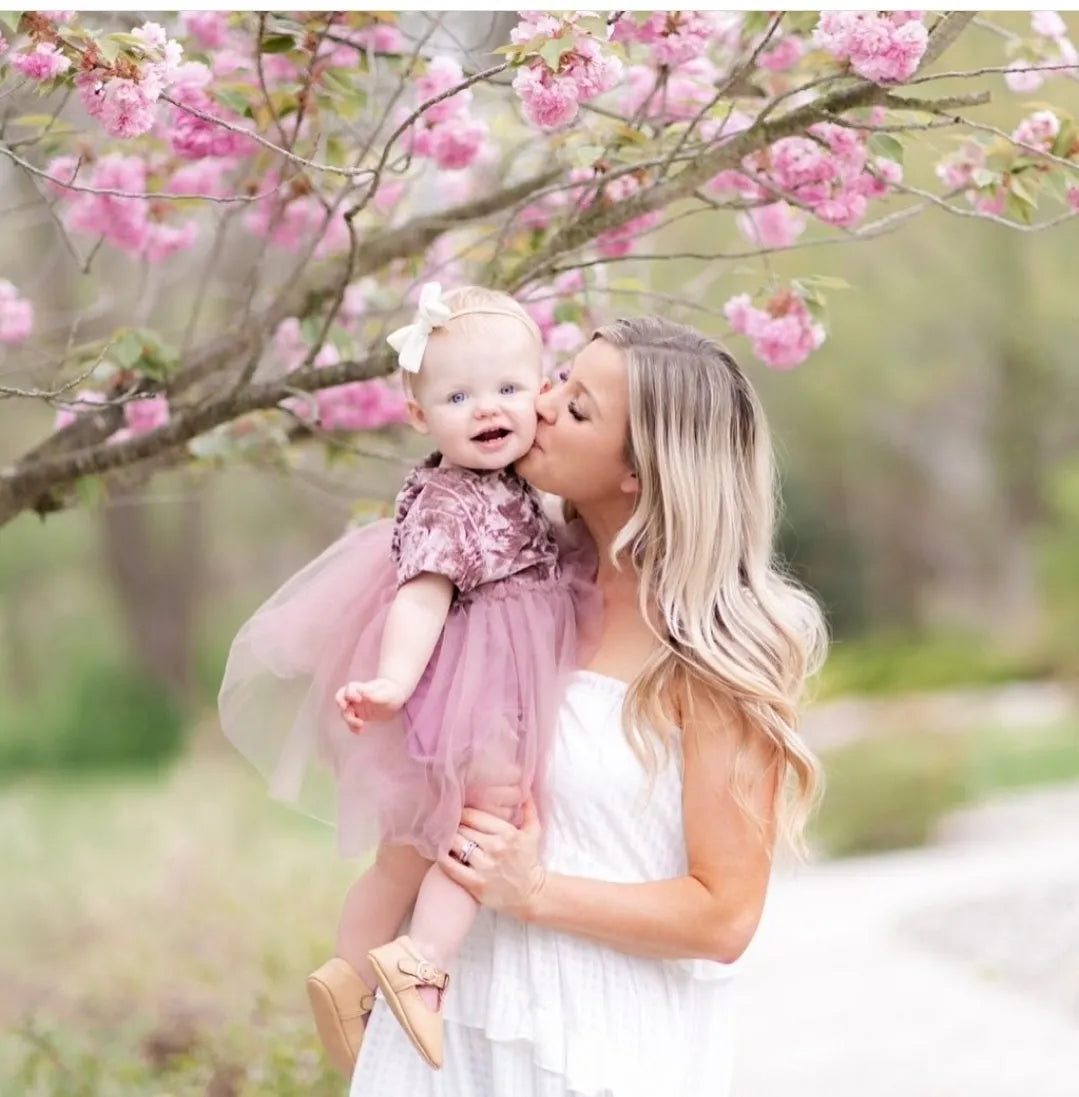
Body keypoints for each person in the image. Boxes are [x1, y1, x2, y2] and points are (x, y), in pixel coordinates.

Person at [349, 315, 828, 1096]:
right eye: (559, 379)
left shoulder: (712, 649)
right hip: (449, 1022)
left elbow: (724, 917)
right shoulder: (511, 580)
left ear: (638, 472)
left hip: (595, 1042)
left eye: (575, 409)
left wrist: (535, 892)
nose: (538, 403)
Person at [218, 284, 596, 1075]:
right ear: (419, 415)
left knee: (403, 851)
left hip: (485, 679)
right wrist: (391, 681)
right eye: (457, 395)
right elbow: (418, 599)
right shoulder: (445, 501)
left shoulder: (520, 480)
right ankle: (420, 961)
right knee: (484, 822)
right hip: (470, 685)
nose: (486, 408)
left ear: (542, 393)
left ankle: (348, 970)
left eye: (507, 389)